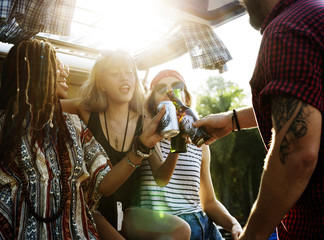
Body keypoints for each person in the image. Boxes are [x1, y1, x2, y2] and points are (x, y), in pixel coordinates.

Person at [194, 0, 323, 239]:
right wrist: (232, 120)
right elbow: (310, 103)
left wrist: (251, 236)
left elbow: (297, 155)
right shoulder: (313, 14)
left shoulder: (286, 31)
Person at [0, 39, 113, 239]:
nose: (65, 71)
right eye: (57, 66)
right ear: (33, 72)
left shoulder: (74, 125)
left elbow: (104, 181)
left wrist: (143, 146)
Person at [61, 51, 191, 239]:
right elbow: (39, 107)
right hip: (90, 208)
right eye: (115, 73)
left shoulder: (145, 123)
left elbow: (161, 178)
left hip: (126, 210)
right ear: (101, 84)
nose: (124, 78)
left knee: (181, 230)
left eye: (129, 72)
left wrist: (178, 142)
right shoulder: (86, 110)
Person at [140, 69, 243, 240]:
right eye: (161, 88)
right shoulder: (147, 136)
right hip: (169, 228)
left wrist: (233, 223)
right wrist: (177, 139)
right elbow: (161, 178)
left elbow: (208, 202)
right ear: (152, 102)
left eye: (176, 87)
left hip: (204, 225)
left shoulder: (200, 145)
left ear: (186, 99)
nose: (169, 92)